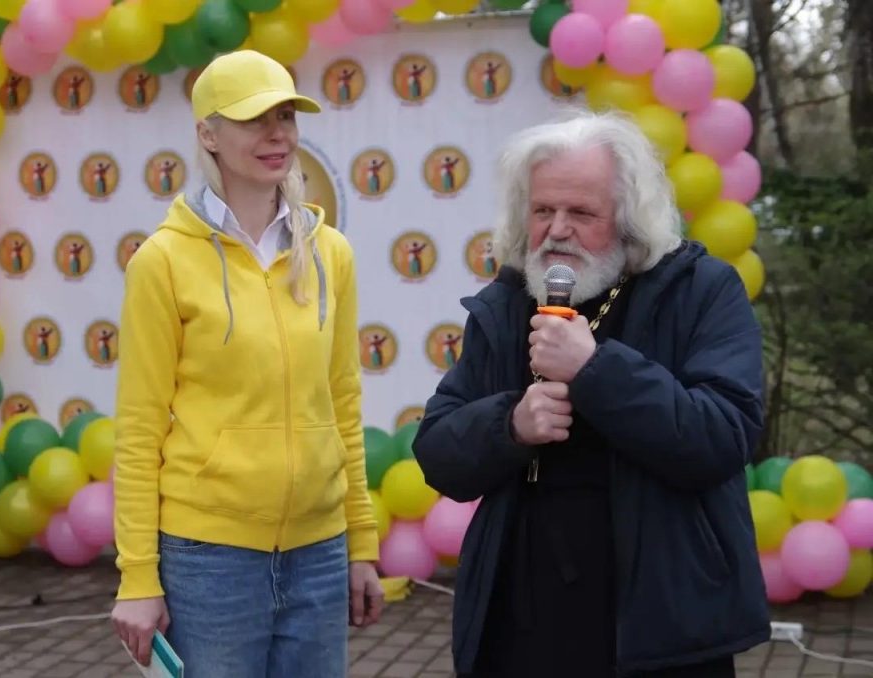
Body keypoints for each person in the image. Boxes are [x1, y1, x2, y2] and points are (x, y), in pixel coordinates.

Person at [412, 109, 769, 677]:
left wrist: (595, 369)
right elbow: (438, 452)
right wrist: (510, 424)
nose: (557, 230)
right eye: (542, 211)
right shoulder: (507, 303)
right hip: (522, 621)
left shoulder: (701, 291)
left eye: (581, 213)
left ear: (629, 219)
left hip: (658, 627)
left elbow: (723, 437)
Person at [111, 50, 383, 677]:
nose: (276, 134)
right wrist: (138, 577)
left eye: (285, 116)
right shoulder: (162, 262)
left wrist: (360, 544)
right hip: (209, 558)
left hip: (320, 552)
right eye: (254, 118)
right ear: (208, 134)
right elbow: (140, 429)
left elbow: (342, 402)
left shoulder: (331, 253)